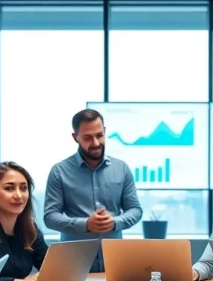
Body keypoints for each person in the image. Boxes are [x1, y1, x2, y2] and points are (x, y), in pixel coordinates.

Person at [44, 108, 143, 272]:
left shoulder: (122, 169)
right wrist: (85, 225)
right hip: (73, 264)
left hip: (115, 260)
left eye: (99, 135)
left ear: (104, 131)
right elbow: (50, 217)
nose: (96, 143)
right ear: (75, 137)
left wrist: (114, 222)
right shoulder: (59, 172)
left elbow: (135, 210)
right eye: (88, 138)